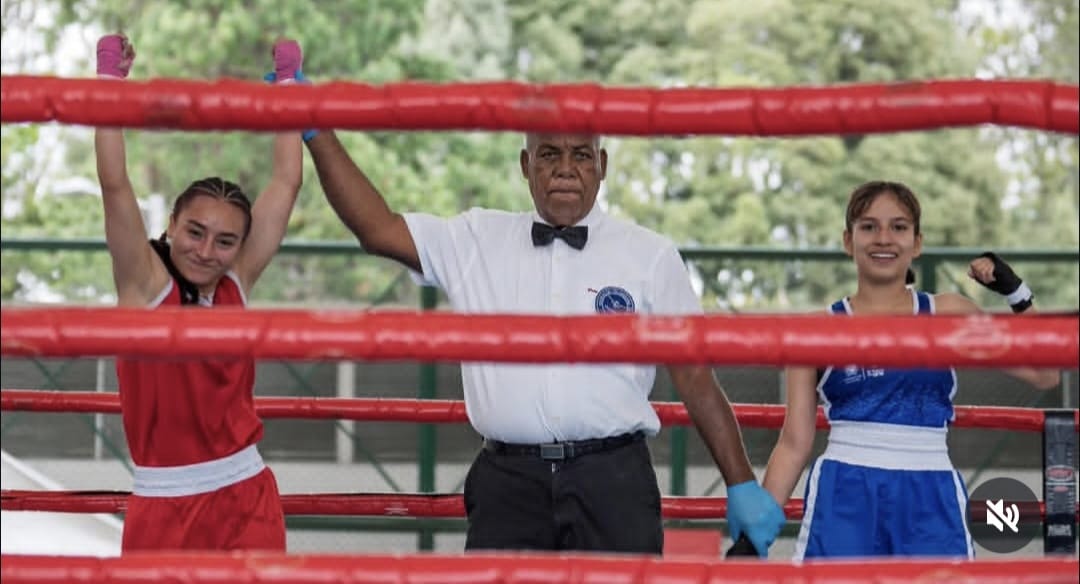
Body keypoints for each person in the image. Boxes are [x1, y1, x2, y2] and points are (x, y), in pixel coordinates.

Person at [299, 67, 785, 554]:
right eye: (550, 154)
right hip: (507, 484)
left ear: (602, 165)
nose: (566, 169)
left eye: (581, 155)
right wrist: (316, 128)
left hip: (614, 482)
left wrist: (741, 482)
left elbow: (696, 377)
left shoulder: (650, 255)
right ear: (525, 164)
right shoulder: (475, 238)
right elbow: (378, 229)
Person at [761, 180, 1062, 559]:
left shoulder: (948, 314)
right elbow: (794, 444)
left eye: (898, 227)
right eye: (869, 226)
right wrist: (754, 534)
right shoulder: (815, 329)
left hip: (930, 490)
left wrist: (1017, 294)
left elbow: (1045, 373)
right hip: (845, 491)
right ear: (848, 241)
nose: (883, 238)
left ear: (917, 243)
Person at [94, 34, 304, 551]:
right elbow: (114, 183)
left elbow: (286, 183)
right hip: (163, 503)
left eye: (225, 241)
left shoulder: (236, 282)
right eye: (195, 232)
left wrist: (288, 89)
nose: (207, 251)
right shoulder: (143, 282)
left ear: (239, 247)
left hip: (246, 494)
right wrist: (108, 84)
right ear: (172, 225)